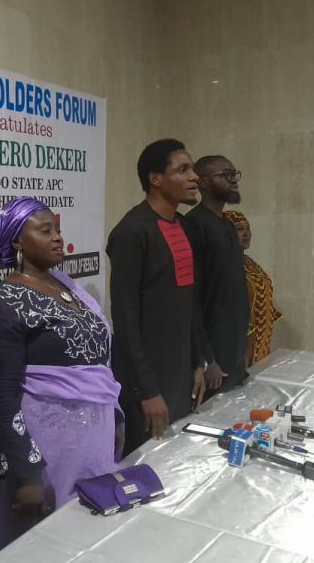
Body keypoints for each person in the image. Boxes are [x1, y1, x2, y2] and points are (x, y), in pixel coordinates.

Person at [0, 196, 123, 549]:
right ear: (18, 242)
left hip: (92, 442)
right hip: (47, 451)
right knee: (48, 543)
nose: (57, 237)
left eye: (57, 229)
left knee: (90, 537)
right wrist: (26, 475)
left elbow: (100, 366)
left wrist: (115, 416)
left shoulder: (69, 288)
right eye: (45, 231)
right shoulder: (0, 304)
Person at [107, 138, 207, 456]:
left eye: (193, 169)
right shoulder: (132, 233)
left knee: (177, 460)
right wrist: (146, 391)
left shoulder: (184, 227)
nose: (194, 177)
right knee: (146, 466)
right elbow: (125, 319)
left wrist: (198, 361)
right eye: (183, 170)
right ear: (155, 179)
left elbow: (189, 303)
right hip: (147, 384)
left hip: (180, 374)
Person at [185, 155, 249, 394]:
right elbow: (192, 298)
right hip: (212, 355)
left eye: (234, 174)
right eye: (226, 175)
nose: (234, 180)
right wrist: (206, 359)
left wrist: (243, 344)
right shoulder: (194, 225)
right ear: (202, 183)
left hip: (233, 348)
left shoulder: (227, 225)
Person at [224, 210, 283, 366]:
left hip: (260, 339)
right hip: (239, 344)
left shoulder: (249, 263)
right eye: (239, 229)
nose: (246, 234)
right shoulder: (225, 265)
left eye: (248, 229)